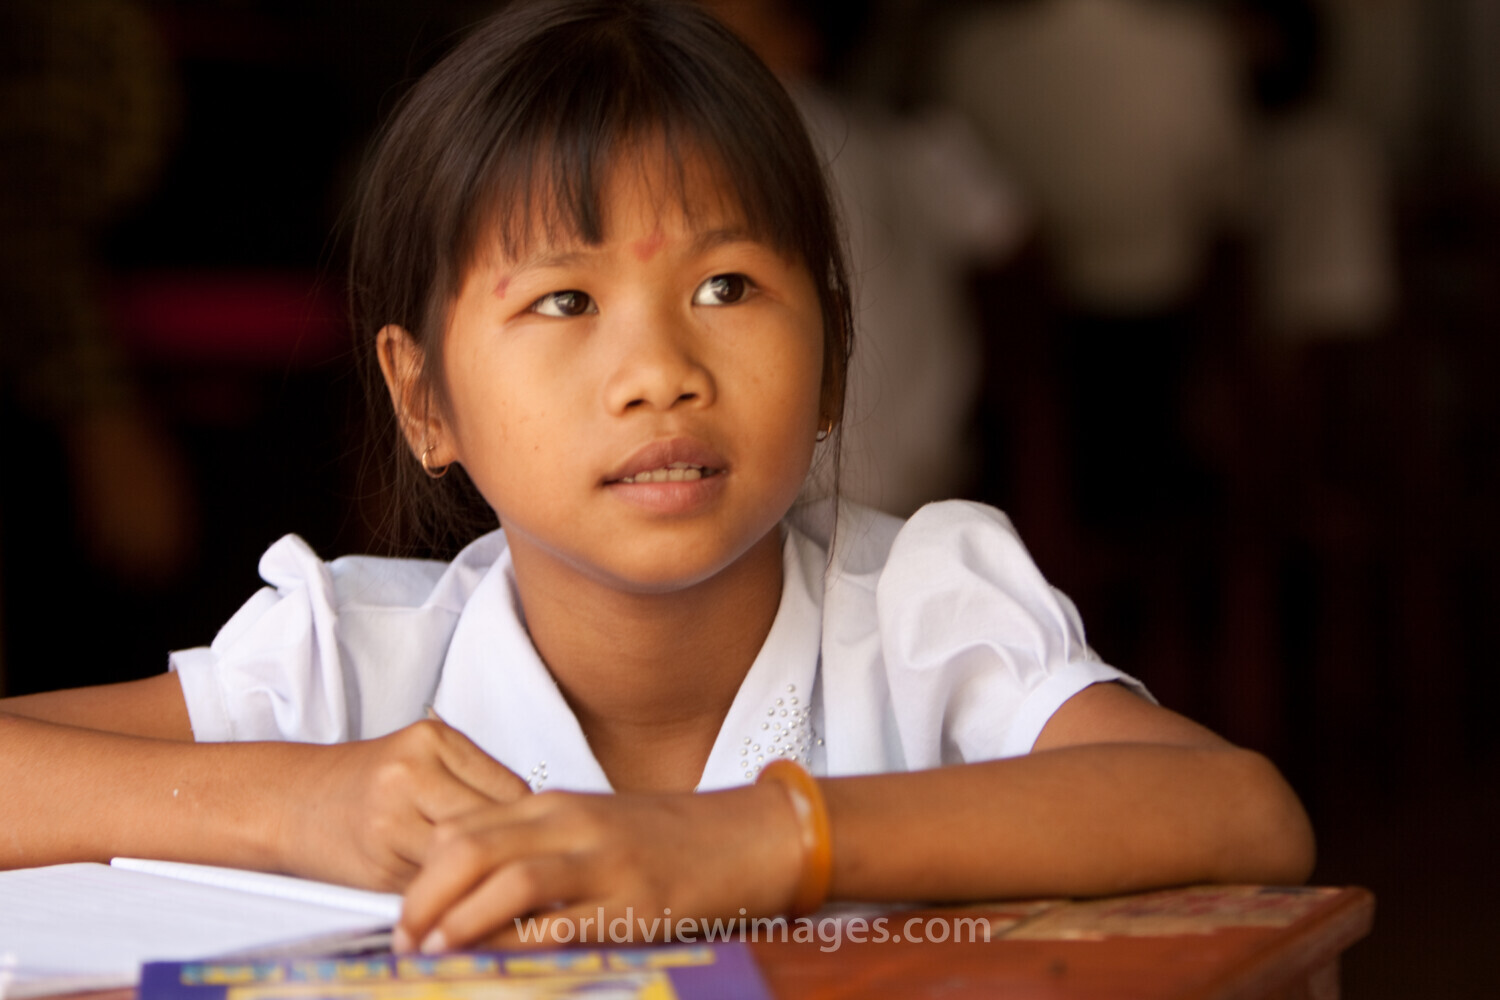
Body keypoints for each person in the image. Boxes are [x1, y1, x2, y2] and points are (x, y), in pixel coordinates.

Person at [0, 0, 1313, 954]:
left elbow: (1239, 813)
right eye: (565, 301)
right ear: (424, 399)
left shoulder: (915, 618)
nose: (659, 372)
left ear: (834, 359)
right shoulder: (355, 665)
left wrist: (761, 843)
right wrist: (303, 804)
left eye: (727, 287)